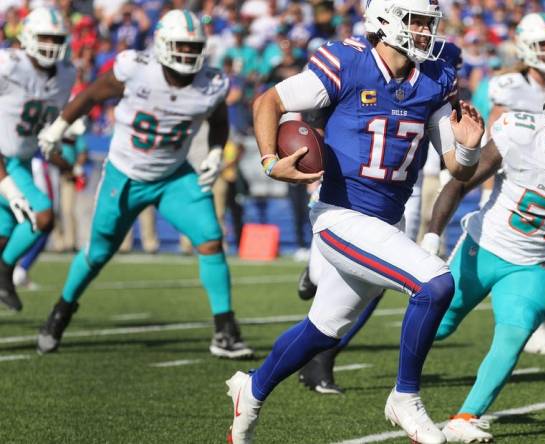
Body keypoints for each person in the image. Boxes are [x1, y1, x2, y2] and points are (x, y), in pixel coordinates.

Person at [225, 0, 485, 442]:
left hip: (384, 225)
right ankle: (405, 397)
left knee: (323, 329)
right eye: (416, 20)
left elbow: (456, 169)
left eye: (429, 22)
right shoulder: (347, 62)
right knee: (436, 283)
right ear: (385, 19)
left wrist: (470, 149)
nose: (425, 31)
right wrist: (270, 161)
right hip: (339, 217)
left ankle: (251, 388)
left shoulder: (436, 76)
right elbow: (269, 100)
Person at [421, 59, 545, 442]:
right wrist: (432, 238)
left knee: (513, 336)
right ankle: (403, 391)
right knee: (437, 325)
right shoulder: (519, 132)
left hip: (533, 264)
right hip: (481, 248)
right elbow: (459, 182)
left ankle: (466, 417)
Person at [35, 9, 254, 359]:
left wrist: (215, 151)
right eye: (180, 45)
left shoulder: (211, 83)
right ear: (163, 44)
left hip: (172, 176)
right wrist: (59, 127)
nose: (186, 53)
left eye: (193, 46)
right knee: (98, 253)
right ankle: (61, 311)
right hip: (125, 173)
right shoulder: (136, 68)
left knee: (211, 240)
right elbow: (92, 94)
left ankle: (225, 329)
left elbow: (219, 121)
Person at [294, 41, 463, 396]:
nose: (453, 72)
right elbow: (318, 112)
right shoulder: (365, 67)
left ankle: (320, 359)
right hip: (352, 186)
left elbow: (458, 159)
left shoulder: (436, 83)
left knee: (375, 280)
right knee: (328, 275)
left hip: (404, 188)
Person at [469, 11, 545, 356]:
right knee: (507, 260)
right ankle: (528, 328)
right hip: (512, 188)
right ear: (525, 47)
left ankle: (531, 322)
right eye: (544, 45)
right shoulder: (508, 86)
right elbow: (494, 139)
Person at [0, 7, 76, 311]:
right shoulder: (8, 64)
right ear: (28, 37)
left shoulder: (66, 74)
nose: (51, 45)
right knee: (42, 215)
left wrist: (59, 146)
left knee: (5, 235)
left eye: (56, 39)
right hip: (4, 160)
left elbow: (42, 124)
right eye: (45, 38)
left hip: (21, 160)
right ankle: (4, 272)